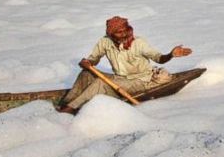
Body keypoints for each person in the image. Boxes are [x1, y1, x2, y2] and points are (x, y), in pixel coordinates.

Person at [57, 16, 193, 114]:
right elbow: (94, 59)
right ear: (110, 34)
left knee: (101, 83)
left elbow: (158, 58)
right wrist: (88, 63)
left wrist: (170, 54)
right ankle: (68, 102)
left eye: (124, 31)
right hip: (121, 79)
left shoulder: (138, 43)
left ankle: (70, 109)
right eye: (118, 32)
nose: (123, 34)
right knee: (87, 73)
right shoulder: (105, 42)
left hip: (141, 81)